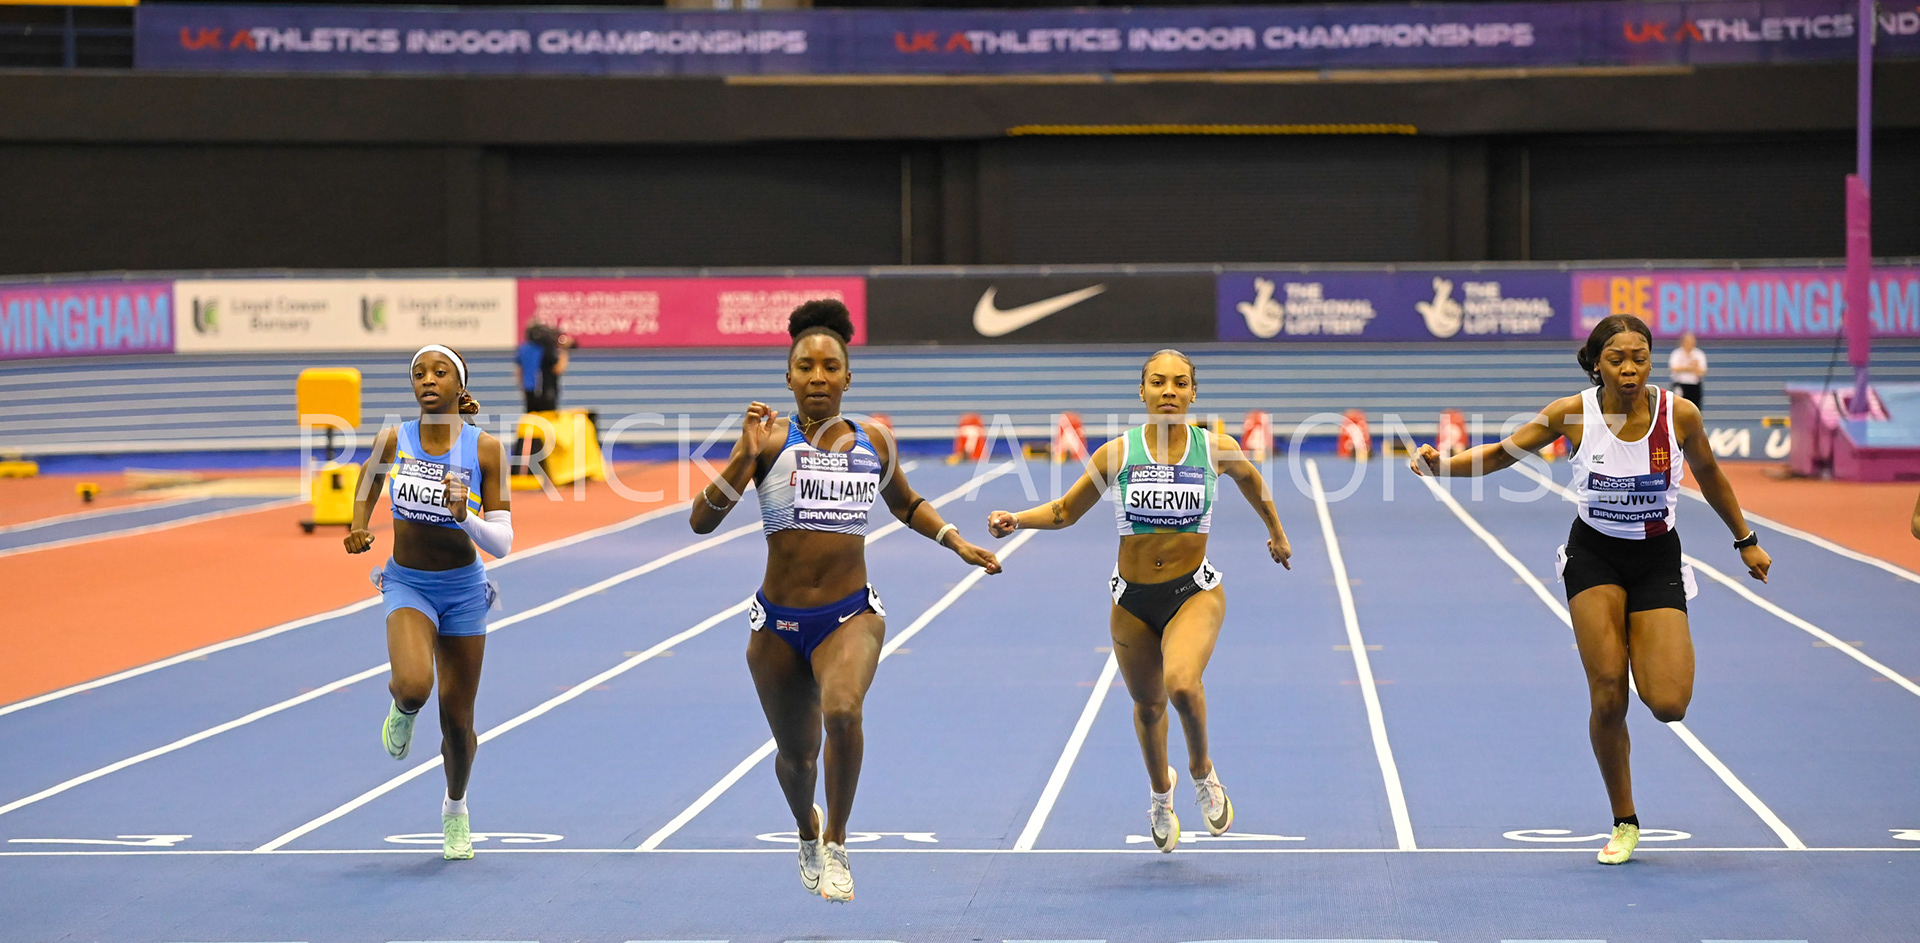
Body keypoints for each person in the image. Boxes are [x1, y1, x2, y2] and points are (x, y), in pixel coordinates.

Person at [1410, 314, 1772, 866]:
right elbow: (1503, 453)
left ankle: (1643, 644)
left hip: (1655, 559)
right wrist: (1443, 466)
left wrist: (1745, 539)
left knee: (1669, 704)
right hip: (1594, 555)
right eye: (1616, 360)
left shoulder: (1681, 415)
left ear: (1652, 361)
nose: (1630, 369)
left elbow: (1712, 477)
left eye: (1640, 359)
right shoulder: (1573, 414)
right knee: (1607, 690)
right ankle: (1624, 820)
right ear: (1596, 362)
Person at [689, 299, 1002, 902]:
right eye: (805, 366)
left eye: (830, 366)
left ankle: (835, 841)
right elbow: (701, 522)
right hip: (777, 626)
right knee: (796, 759)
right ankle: (806, 826)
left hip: (849, 616)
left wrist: (956, 541)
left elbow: (906, 505)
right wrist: (742, 454)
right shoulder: (768, 441)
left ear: (847, 377)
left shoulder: (873, 441)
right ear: (788, 376)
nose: (817, 377)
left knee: (843, 711)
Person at [986, 349, 1292, 853]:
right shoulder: (1118, 454)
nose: (1168, 391)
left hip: (1194, 592)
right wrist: (1016, 519)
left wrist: (1276, 532)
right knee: (1148, 706)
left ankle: (1201, 772)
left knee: (1182, 686)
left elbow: (1254, 483)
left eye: (1179, 383)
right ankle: (1160, 794)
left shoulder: (1215, 449)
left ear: (1194, 393)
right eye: (1158, 382)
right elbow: (1066, 511)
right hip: (1131, 602)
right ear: (1143, 392)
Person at [345, 344, 513, 861]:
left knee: (458, 725)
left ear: (460, 387)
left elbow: (503, 543)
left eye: (440, 372)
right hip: (408, 583)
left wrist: (465, 514)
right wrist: (356, 525)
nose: (427, 380)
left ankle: (455, 809)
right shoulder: (395, 439)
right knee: (416, 686)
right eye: (419, 373)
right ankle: (402, 707)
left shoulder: (486, 450)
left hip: (464, 590)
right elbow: (368, 481)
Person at [515, 323, 572, 414]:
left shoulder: (523, 348)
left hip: (529, 392)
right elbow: (558, 369)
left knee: (532, 422)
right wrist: (564, 350)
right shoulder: (546, 349)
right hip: (546, 391)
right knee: (547, 423)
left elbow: (518, 372)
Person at [1668, 331, 1707, 409]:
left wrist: (1686, 368)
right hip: (1680, 384)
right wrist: (1690, 367)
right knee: (1678, 408)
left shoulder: (1699, 354)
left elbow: (1702, 371)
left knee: (1695, 409)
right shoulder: (1677, 354)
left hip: (1694, 386)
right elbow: (1674, 368)